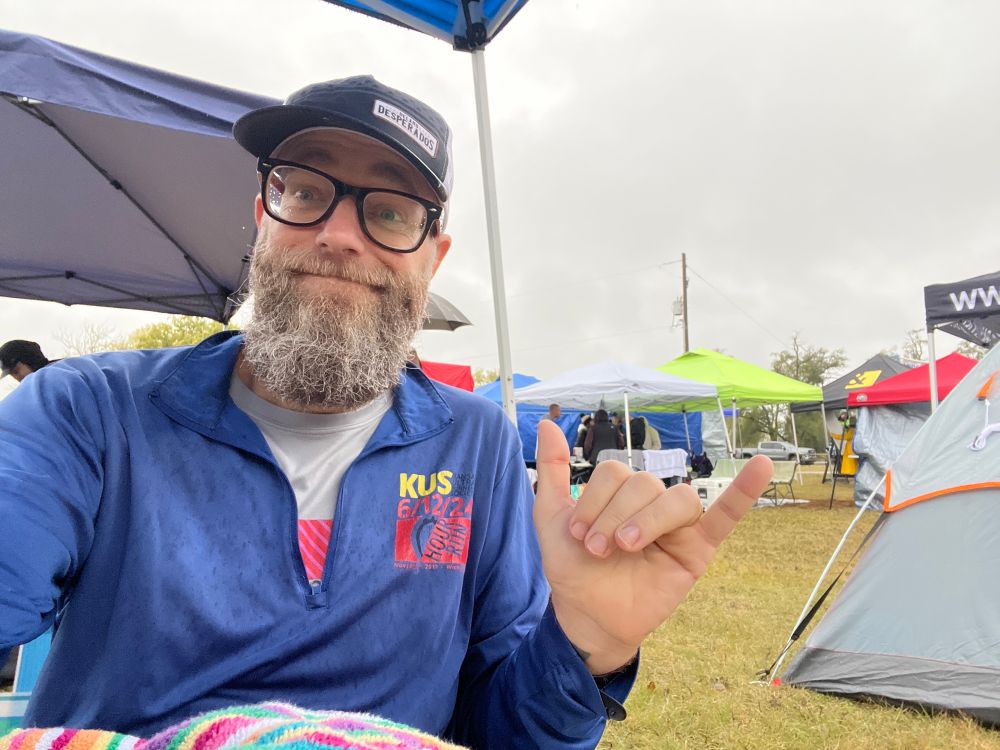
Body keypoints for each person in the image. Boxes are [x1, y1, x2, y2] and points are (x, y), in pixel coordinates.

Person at [0, 75, 772, 749]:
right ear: (263, 217)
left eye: (393, 211)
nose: (339, 235)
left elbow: (508, 733)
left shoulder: (475, 444)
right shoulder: (89, 413)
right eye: (306, 191)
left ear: (433, 257)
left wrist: (583, 645)